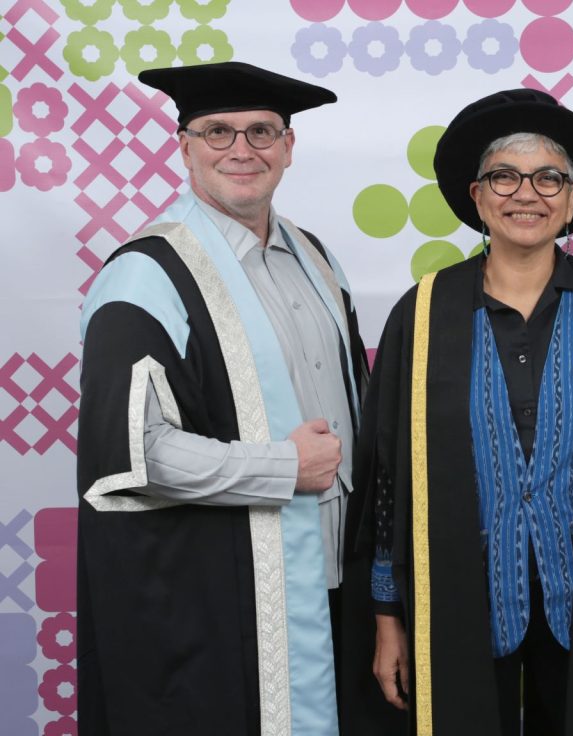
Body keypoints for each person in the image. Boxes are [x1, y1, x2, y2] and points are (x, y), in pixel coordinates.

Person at [341, 89, 573, 735]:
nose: (526, 194)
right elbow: (389, 477)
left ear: (571, 200)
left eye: (548, 178)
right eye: (504, 176)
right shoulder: (424, 314)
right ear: (477, 197)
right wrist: (388, 617)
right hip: (457, 590)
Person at [77, 61, 368, 735]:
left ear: (289, 147)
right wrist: (283, 470)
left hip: (333, 586)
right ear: (184, 147)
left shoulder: (318, 259)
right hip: (221, 600)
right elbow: (126, 454)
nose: (242, 149)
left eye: (262, 131)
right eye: (217, 133)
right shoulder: (145, 275)